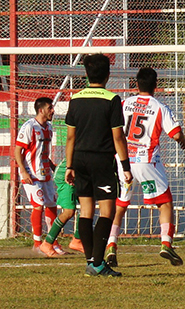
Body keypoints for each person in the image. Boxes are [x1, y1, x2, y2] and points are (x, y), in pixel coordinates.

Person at [107, 67, 185, 267]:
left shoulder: (124, 103)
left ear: (136, 84)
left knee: (120, 205)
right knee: (165, 203)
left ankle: (111, 245)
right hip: (147, 162)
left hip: (124, 162)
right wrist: (184, 142)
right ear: (156, 86)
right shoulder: (159, 107)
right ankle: (166, 244)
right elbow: (176, 134)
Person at [65, 54, 133, 277]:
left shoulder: (76, 99)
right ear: (108, 74)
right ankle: (96, 263)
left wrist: (69, 165)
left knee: (85, 211)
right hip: (102, 160)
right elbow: (118, 137)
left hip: (80, 159)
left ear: (86, 74)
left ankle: (91, 261)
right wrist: (125, 166)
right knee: (107, 211)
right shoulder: (111, 99)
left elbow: (70, 138)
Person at [14, 97, 62, 255]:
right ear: (41, 110)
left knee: (52, 205)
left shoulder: (48, 127)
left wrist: (53, 166)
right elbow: (18, 150)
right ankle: (37, 244)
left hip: (45, 172)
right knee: (38, 205)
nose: (53, 111)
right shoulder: (29, 126)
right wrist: (23, 170)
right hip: (31, 174)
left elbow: (42, 151)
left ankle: (53, 242)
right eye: (50, 108)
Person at [38, 158, 84, 256]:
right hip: (66, 175)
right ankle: (47, 243)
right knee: (69, 211)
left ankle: (77, 240)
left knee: (87, 206)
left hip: (81, 173)